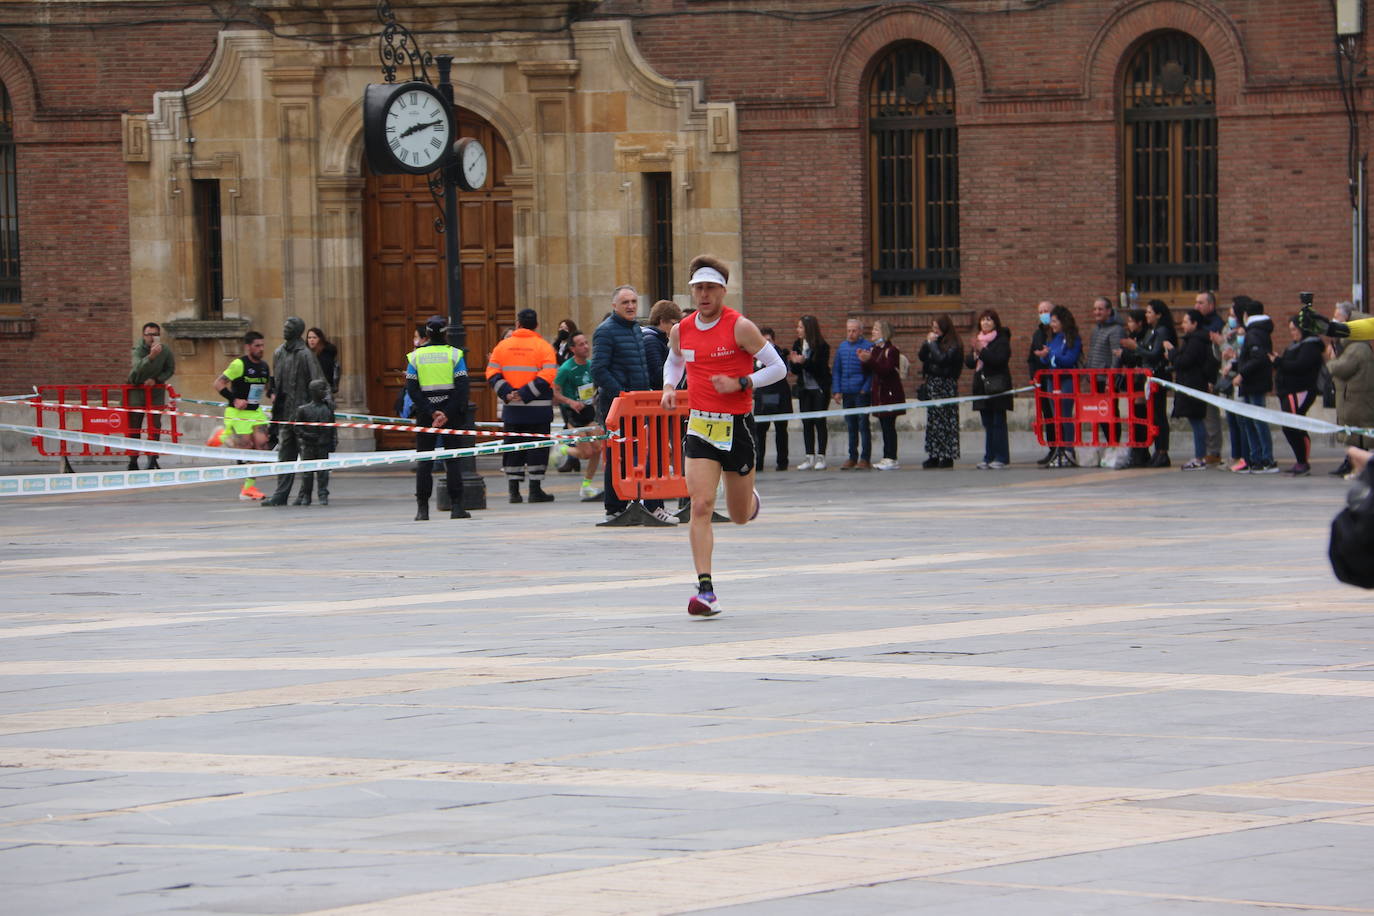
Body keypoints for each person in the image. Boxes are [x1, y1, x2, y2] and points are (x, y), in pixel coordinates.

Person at [660, 254, 785, 617]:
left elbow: (778, 368)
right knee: (699, 506)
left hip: (738, 425)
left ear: (723, 291)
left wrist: (742, 382)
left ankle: (750, 502)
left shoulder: (741, 327)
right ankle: (706, 590)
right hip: (700, 424)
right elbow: (675, 359)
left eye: (710, 288)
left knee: (738, 515)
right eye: (698, 288)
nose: (703, 295)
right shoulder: (681, 329)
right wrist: (669, 386)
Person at [592, 285, 672, 523]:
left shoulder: (637, 330)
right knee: (619, 456)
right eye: (625, 302)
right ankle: (614, 508)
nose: (630, 306)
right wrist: (623, 395)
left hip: (639, 404)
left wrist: (643, 392)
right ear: (614, 306)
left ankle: (643, 504)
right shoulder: (605, 331)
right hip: (618, 405)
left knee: (639, 455)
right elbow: (598, 369)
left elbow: (641, 368)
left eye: (634, 302)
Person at [487, 308, 559, 504]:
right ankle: (535, 490)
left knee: (513, 447)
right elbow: (549, 374)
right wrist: (526, 393)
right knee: (537, 448)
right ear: (536, 325)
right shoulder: (544, 347)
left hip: (513, 409)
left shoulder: (502, 347)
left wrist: (508, 392)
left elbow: (492, 372)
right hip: (539, 409)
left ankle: (514, 491)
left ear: (517, 324)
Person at [405, 315, 471, 520]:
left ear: (426, 334)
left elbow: (412, 389)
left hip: (426, 414)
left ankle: (422, 509)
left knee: (424, 460)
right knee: (452, 459)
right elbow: (462, 388)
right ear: (446, 333)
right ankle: (457, 507)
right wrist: (446, 413)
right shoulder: (455, 355)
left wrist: (430, 411)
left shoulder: (415, 357)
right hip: (451, 414)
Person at [261, 317, 327, 506]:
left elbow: (318, 381)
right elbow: (277, 382)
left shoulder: (306, 354)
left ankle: (305, 494)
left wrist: (322, 406)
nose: (285, 329)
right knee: (284, 455)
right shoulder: (278, 353)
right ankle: (281, 494)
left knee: (306, 457)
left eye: (289, 327)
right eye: (284, 325)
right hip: (284, 413)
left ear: (297, 331)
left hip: (302, 414)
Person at [213, 330, 272, 501]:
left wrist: (273, 394)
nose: (261, 349)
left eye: (262, 345)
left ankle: (248, 488)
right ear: (248, 347)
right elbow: (218, 384)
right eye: (257, 346)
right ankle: (225, 438)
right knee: (246, 447)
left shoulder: (264, 366)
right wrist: (234, 399)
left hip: (255, 412)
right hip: (238, 412)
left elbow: (267, 386)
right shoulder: (239, 364)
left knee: (262, 446)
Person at [1122, 299, 1176, 467]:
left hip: (1157, 376)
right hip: (1148, 377)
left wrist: (1135, 347)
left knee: (1159, 415)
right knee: (1153, 415)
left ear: (1158, 314)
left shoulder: (1162, 331)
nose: (1147, 315)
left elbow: (1154, 354)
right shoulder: (1152, 331)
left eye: (1149, 312)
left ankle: (1162, 452)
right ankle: (1154, 450)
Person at [1272, 313, 1325, 476]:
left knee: (1293, 426)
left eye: (1295, 329)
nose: (1292, 333)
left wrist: (1279, 362)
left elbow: (1300, 366)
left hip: (1300, 391)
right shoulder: (1296, 345)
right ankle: (1300, 460)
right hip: (1288, 390)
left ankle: (1303, 461)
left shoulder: (1311, 346)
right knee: (1290, 426)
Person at [553, 330, 603, 500]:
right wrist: (571, 402)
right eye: (581, 344)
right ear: (573, 349)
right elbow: (555, 393)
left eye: (586, 343)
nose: (586, 347)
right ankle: (563, 448)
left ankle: (586, 485)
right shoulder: (566, 369)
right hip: (573, 416)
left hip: (589, 413)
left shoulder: (590, 365)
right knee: (586, 453)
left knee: (598, 448)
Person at [1165, 308, 1215, 470]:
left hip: (1193, 385)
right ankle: (1199, 456)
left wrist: (1172, 352)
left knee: (1197, 421)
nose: (1183, 325)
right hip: (1192, 384)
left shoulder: (1196, 341)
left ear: (1195, 323)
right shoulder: (1194, 340)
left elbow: (1184, 361)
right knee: (1196, 421)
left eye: (1186, 322)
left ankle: (1200, 457)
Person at [1033, 304, 1082, 467]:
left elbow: (1069, 359)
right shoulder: (1053, 338)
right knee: (1056, 417)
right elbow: (1048, 360)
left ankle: (1068, 449)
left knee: (1066, 415)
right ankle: (1059, 449)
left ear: (1063, 321)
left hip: (1066, 380)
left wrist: (1053, 355)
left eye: (1054, 321)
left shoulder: (1072, 338)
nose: (1052, 325)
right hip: (1051, 380)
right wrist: (1044, 356)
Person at [1233, 297, 1279, 474]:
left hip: (1254, 382)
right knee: (1251, 420)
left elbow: (1257, 357)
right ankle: (1257, 458)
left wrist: (1242, 374)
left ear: (1246, 314)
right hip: (1255, 381)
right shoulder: (1259, 331)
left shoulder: (1254, 333)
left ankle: (1266, 458)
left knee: (1258, 420)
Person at [967, 308, 1013, 469]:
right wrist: (973, 355)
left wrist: (982, 350)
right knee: (987, 423)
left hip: (997, 387)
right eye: (983, 320)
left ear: (995, 323)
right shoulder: (979, 339)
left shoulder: (1001, 340)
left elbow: (998, 360)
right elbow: (969, 363)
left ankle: (1001, 456)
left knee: (998, 422)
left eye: (989, 320)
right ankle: (989, 456)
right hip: (981, 387)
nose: (985, 323)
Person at [126, 321, 175, 471]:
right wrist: (151, 357)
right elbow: (136, 370)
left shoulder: (165, 351)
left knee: (155, 426)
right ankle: (133, 459)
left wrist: (157, 379)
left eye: (155, 334)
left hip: (155, 393)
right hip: (136, 391)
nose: (152, 338)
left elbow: (170, 369)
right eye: (149, 334)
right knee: (134, 427)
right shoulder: (138, 350)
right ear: (143, 335)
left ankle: (153, 457)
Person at [1325, 330, 1374, 479]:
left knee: (1357, 435)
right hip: (1356, 398)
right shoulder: (1359, 348)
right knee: (1356, 435)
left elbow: (1342, 369)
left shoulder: (1356, 349)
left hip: (1356, 400)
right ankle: (1353, 465)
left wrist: (1332, 360)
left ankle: (1358, 468)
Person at [1083, 296, 1124, 468]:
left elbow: (1116, 356)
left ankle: (1114, 443)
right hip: (1094, 377)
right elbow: (1092, 351)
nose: (1097, 312)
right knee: (1100, 414)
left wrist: (1111, 378)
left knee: (1110, 413)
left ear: (1108, 311)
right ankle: (1109, 443)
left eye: (1100, 309)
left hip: (1106, 378)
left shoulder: (1116, 330)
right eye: (1095, 309)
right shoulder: (1096, 329)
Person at [917, 314, 962, 468]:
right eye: (933, 327)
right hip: (933, 385)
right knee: (934, 422)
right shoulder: (934, 342)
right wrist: (926, 343)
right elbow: (922, 356)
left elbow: (942, 359)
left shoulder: (954, 344)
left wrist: (933, 345)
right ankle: (934, 454)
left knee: (946, 421)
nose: (935, 330)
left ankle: (947, 455)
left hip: (946, 385)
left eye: (937, 327)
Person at [789, 315, 831, 470]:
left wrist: (804, 362)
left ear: (808, 328)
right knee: (806, 422)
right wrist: (794, 363)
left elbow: (819, 368)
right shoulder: (797, 344)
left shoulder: (822, 346)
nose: (798, 330)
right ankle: (809, 456)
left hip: (819, 389)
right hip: (805, 389)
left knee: (819, 422)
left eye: (800, 327)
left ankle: (821, 456)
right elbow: (795, 370)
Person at [831, 317, 874, 469]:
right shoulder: (842, 347)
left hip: (861, 393)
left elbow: (871, 371)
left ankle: (865, 458)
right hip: (847, 393)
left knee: (863, 425)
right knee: (851, 426)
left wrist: (865, 388)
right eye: (849, 330)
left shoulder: (868, 347)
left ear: (860, 331)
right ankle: (852, 456)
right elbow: (837, 370)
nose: (851, 333)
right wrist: (836, 390)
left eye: (854, 330)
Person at [752, 326, 794, 471]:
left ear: (773, 340)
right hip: (762, 398)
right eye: (763, 340)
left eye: (768, 340)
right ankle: (759, 462)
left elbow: (781, 371)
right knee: (759, 432)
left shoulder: (780, 354)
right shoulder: (754, 356)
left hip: (780, 396)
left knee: (781, 431)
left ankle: (782, 462)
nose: (766, 343)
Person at [1194, 290, 1227, 464]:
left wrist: (1211, 379)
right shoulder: (1199, 323)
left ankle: (1213, 450)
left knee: (1210, 414)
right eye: (1196, 302)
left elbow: (1213, 356)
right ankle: (1205, 449)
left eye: (1201, 303)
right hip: (1197, 375)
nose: (1196, 306)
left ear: (1211, 305)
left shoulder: (1215, 324)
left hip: (1209, 376)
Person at [1117, 308, 1152, 469]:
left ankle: (1142, 450)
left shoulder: (1146, 335)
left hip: (1141, 381)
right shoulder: (1131, 336)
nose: (1129, 324)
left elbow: (1141, 355)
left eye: (1131, 321)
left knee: (1141, 416)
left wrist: (1126, 353)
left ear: (1139, 322)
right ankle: (1137, 449)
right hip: (1131, 380)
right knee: (1134, 416)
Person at [292, 378, 336, 505]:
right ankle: (306, 495)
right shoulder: (303, 409)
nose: (325, 392)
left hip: (323, 444)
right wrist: (306, 435)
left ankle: (323, 494)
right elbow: (297, 427)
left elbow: (332, 427)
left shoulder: (328, 408)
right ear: (314, 391)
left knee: (323, 472)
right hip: (309, 445)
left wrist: (333, 442)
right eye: (322, 389)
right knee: (307, 473)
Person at [868, 320, 905, 470]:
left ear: (884, 333)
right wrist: (865, 359)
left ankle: (892, 457)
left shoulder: (892, 350)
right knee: (884, 426)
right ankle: (886, 456)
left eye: (876, 329)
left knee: (889, 426)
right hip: (879, 394)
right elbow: (871, 368)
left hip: (890, 394)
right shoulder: (875, 349)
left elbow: (886, 370)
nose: (873, 332)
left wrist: (869, 360)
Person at [1028, 299, 1056, 466]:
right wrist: (1033, 376)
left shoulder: (1059, 332)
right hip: (1042, 381)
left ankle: (1064, 447)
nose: (1044, 314)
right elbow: (1031, 357)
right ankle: (1052, 447)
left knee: (1058, 414)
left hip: (1056, 379)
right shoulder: (1037, 334)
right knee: (1047, 415)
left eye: (1047, 310)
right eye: (1040, 312)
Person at [306, 326, 340, 395]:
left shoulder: (326, 354)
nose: (311, 340)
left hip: (323, 391)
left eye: (314, 337)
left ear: (320, 339)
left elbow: (326, 375)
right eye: (309, 338)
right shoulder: (305, 353)